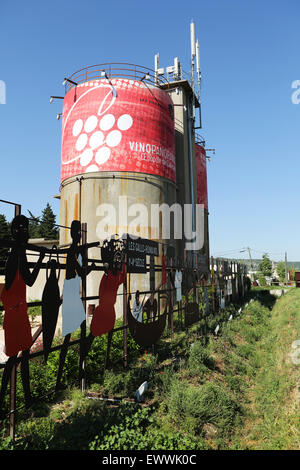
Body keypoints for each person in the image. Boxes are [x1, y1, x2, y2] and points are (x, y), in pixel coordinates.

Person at [0, 215, 45, 414]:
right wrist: (39, 259)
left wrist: (41, 259)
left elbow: (28, 280)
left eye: (25, 229)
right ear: (14, 231)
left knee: (22, 357)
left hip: (20, 314)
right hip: (13, 314)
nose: (24, 233)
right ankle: (4, 404)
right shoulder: (14, 255)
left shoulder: (19, 254)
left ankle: (27, 400)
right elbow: (15, 282)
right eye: (21, 229)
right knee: (12, 360)